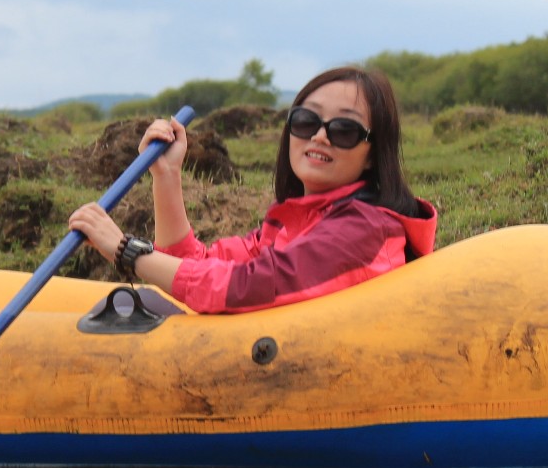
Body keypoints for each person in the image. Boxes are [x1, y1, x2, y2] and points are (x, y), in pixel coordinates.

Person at [67, 66, 437, 314]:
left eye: (344, 129)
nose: (320, 136)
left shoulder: (364, 230)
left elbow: (245, 287)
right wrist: (167, 177)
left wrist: (125, 250)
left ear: (374, 154)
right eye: (306, 121)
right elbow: (194, 265)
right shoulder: (299, 220)